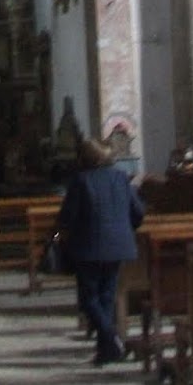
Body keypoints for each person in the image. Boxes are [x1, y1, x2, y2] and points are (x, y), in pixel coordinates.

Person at [58, 136, 144, 365]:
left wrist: (62, 233)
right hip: (118, 246)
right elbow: (138, 211)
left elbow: (68, 217)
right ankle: (105, 351)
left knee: (89, 299)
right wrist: (125, 229)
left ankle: (111, 338)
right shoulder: (120, 178)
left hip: (88, 247)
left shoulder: (81, 181)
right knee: (106, 296)